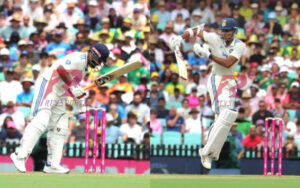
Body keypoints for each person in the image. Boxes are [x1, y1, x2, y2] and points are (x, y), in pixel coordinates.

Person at [10, 43, 109, 174]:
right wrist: (73, 86)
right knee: (41, 121)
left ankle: (52, 164)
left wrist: (79, 103)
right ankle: (19, 156)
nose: (98, 64)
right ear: (92, 53)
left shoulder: (85, 68)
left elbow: (74, 87)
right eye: (98, 60)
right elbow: (61, 70)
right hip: (48, 85)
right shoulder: (78, 58)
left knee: (60, 127)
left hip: (60, 93)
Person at [169, 18, 246, 169]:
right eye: (222, 30)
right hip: (216, 79)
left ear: (234, 31)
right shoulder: (214, 38)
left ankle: (211, 152)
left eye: (227, 30)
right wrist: (179, 38)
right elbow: (196, 30)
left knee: (227, 118)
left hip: (230, 81)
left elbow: (228, 63)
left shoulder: (239, 45)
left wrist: (207, 55)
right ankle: (206, 152)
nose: (223, 33)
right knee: (225, 113)